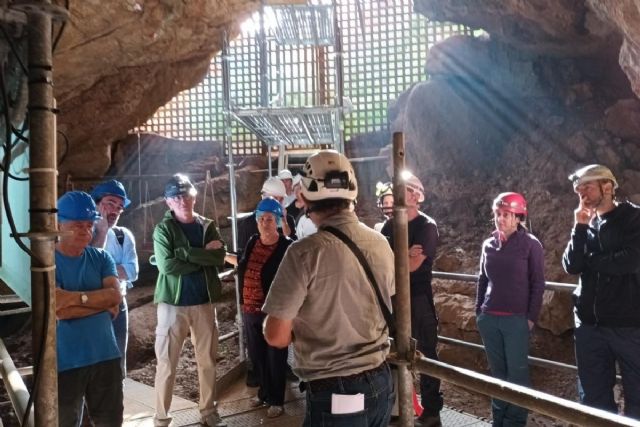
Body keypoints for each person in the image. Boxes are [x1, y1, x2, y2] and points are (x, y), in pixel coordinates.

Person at [263, 150, 396, 427]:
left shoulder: (303, 253)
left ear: (306, 197)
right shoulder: (380, 243)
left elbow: (276, 336)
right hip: (382, 381)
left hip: (336, 390)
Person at [562, 164, 640, 419]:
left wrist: (592, 261)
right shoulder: (586, 225)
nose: (581, 193)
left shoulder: (633, 218)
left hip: (628, 325)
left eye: (587, 186)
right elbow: (572, 265)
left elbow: (630, 260)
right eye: (578, 189)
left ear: (607, 186)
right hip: (589, 327)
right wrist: (580, 227)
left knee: (637, 396)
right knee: (594, 399)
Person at [152, 174, 227, 427]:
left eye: (185, 195)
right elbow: (167, 266)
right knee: (167, 364)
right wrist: (201, 254)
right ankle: (161, 418)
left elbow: (219, 257)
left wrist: (185, 254)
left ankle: (208, 411)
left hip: (203, 303)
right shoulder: (163, 229)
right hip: (172, 306)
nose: (181, 200)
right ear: (168, 202)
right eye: (175, 196)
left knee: (207, 360)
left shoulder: (207, 225)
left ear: (193, 196)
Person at [54, 191, 124, 427]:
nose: (85, 231)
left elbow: (115, 296)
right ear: (58, 224)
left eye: (89, 224)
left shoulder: (101, 258)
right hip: (66, 362)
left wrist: (74, 299)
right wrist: (101, 305)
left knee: (110, 421)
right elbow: (58, 310)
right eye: (76, 225)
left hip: (106, 356)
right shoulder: (47, 263)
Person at [476, 192, 545, 427]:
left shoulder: (530, 245)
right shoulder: (488, 245)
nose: (501, 219)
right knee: (498, 375)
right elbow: (482, 280)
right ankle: (499, 420)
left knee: (517, 375)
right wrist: (479, 312)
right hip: (490, 318)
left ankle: (514, 422)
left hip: (516, 320)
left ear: (518, 217)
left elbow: (538, 284)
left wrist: (530, 319)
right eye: (498, 214)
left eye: (506, 214)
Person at [380, 170, 443, 427]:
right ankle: (397, 407)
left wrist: (399, 258)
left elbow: (414, 266)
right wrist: (404, 255)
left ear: (416, 196)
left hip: (418, 299)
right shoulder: (388, 226)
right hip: (394, 296)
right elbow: (382, 264)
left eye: (403, 189)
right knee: (393, 351)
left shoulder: (427, 226)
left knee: (426, 351)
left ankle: (430, 411)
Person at [225, 197, 293, 418]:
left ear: (278, 221)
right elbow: (243, 264)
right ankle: (264, 393)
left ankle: (276, 400)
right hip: (250, 310)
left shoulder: (286, 246)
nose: (265, 223)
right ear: (256, 221)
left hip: (273, 311)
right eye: (261, 218)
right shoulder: (253, 241)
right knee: (258, 355)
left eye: (270, 219)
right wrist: (222, 255)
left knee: (276, 355)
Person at [90, 179, 139, 378]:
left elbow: (133, 271)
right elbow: (87, 269)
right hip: (90, 309)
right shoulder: (82, 233)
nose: (115, 210)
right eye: (110, 203)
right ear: (96, 203)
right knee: (91, 366)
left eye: (119, 207)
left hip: (118, 306)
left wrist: (103, 270)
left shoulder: (123, 236)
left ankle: (115, 406)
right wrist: (100, 232)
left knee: (117, 365)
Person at [236, 176, 296, 257]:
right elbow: (242, 256)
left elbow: (292, 249)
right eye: (274, 198)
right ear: (263, 197)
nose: (278, 202)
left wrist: (284, 222)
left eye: (281, 199)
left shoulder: (288, 220)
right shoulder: (248, 224)